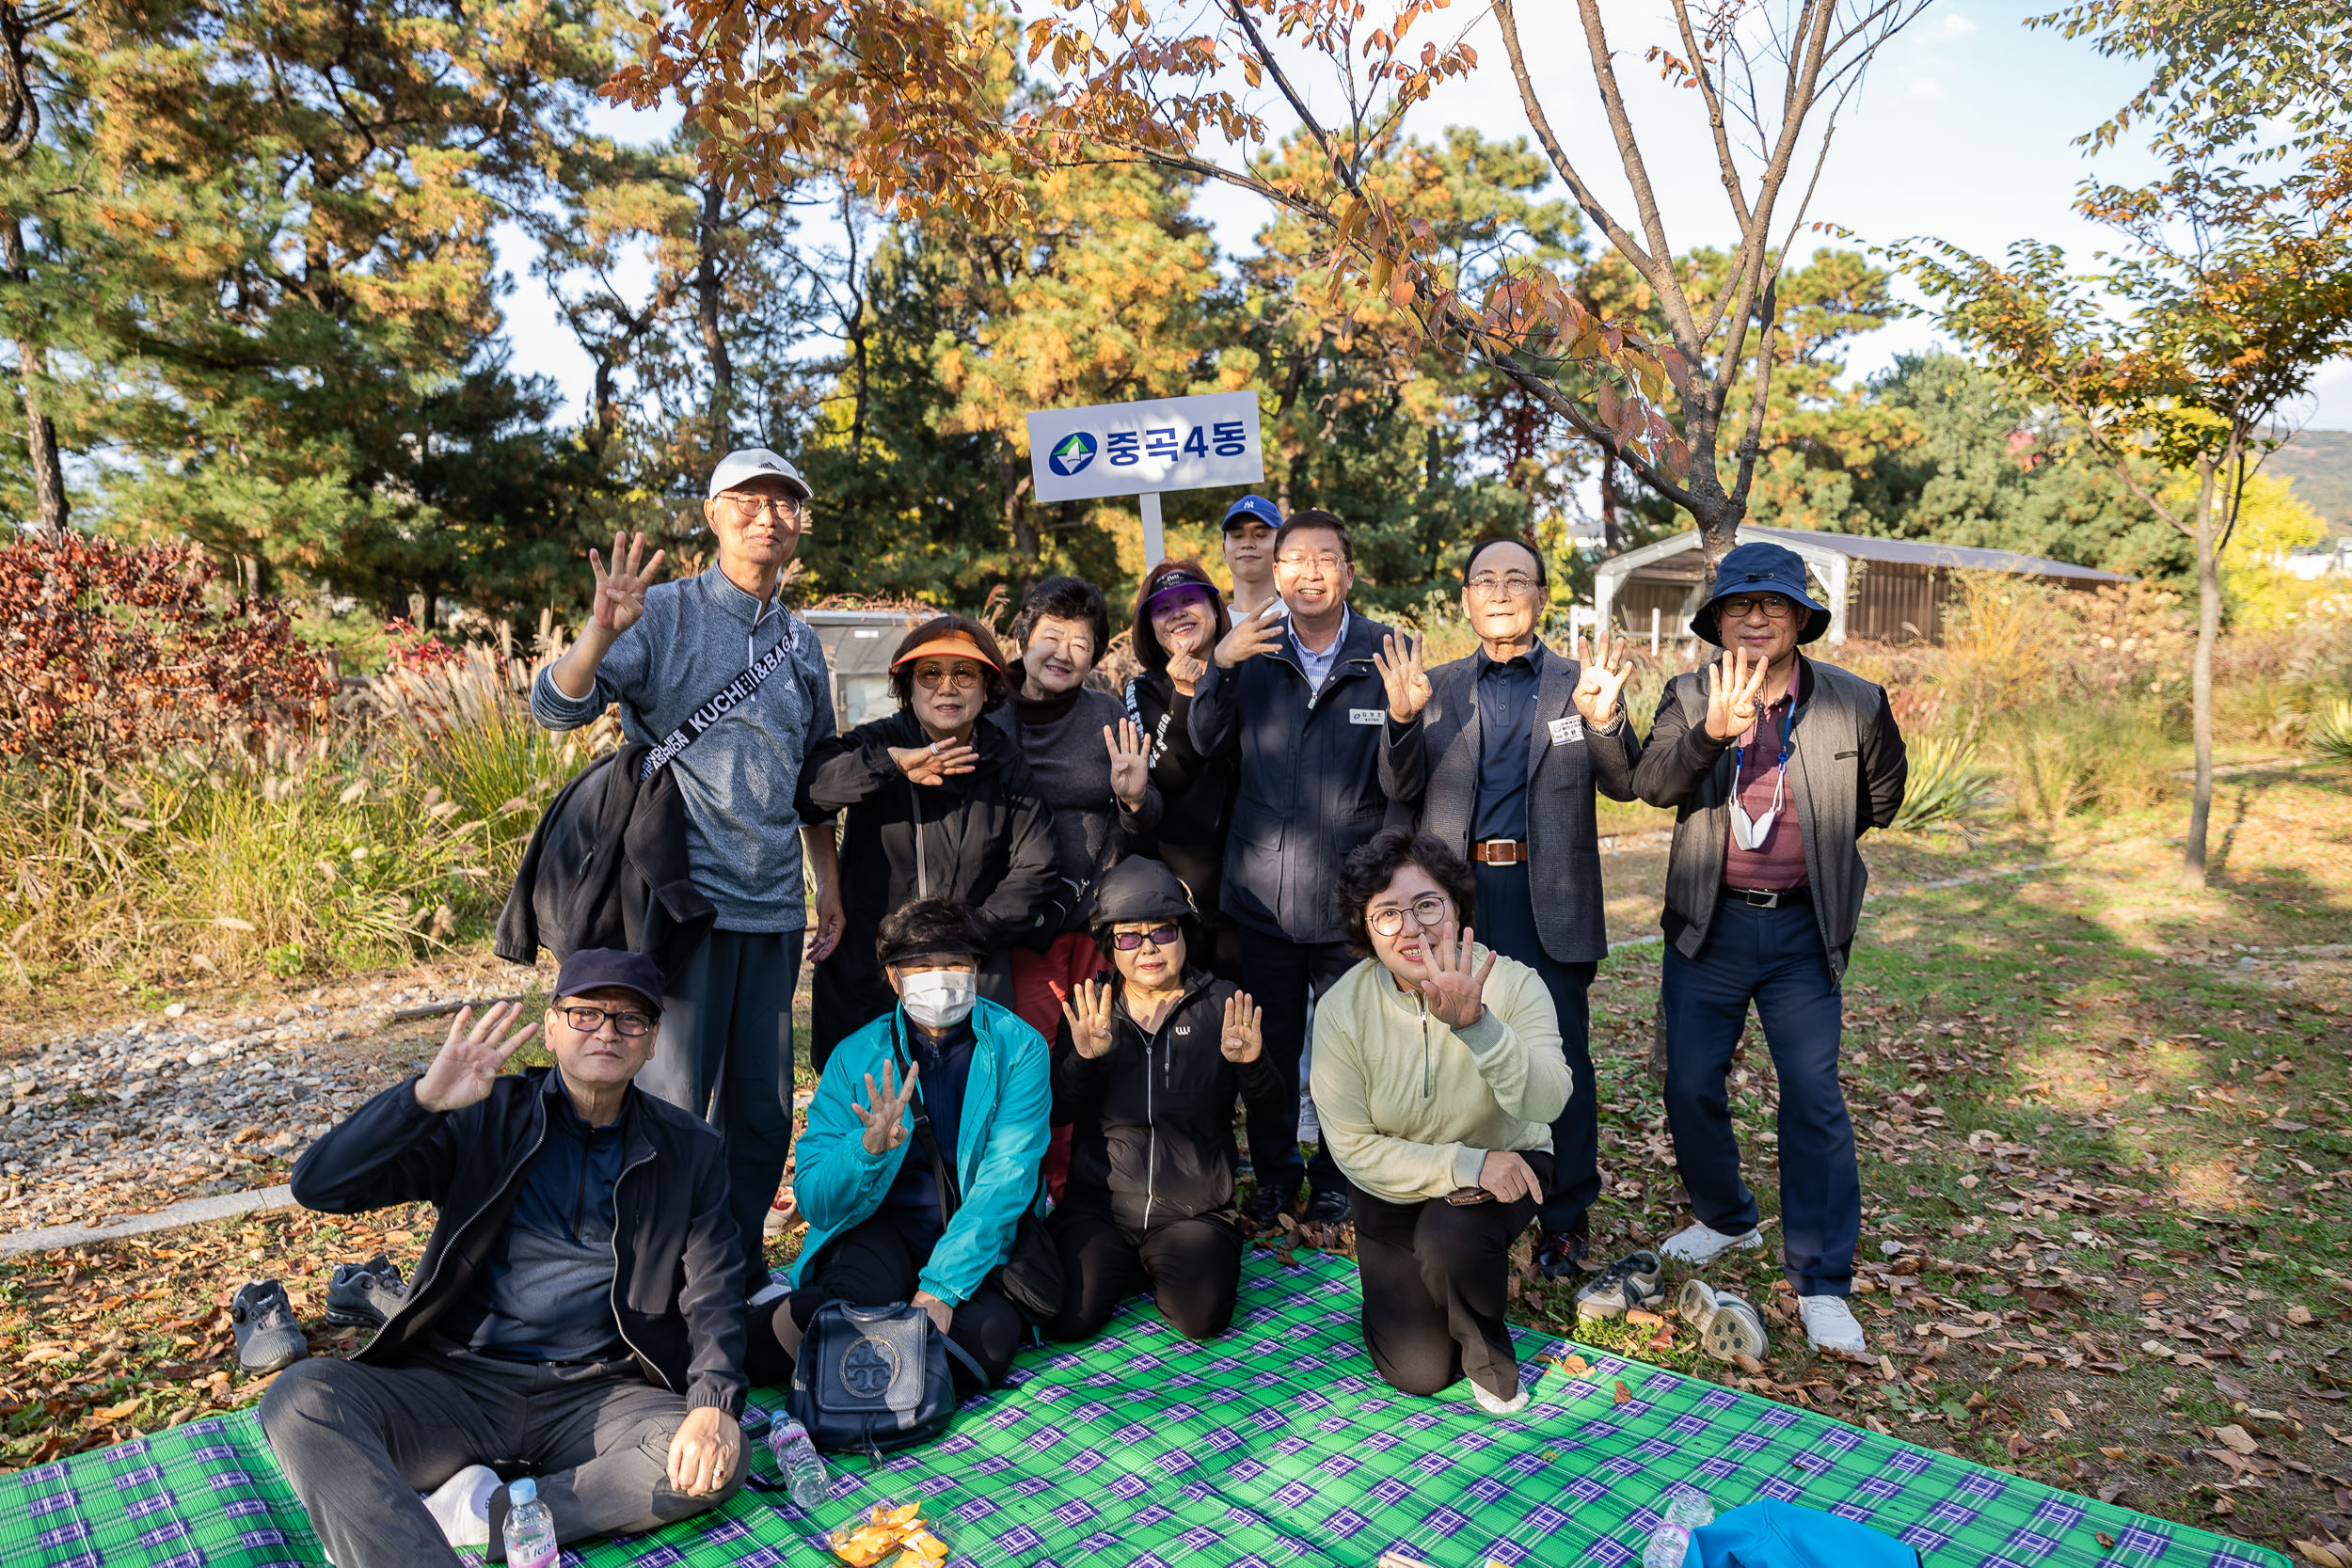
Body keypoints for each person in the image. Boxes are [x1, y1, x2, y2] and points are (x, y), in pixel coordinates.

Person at [261, 951, 747, 1568]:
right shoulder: (485, 1114)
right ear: (551, 1027)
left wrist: (712, 1404)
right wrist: (422, 1100)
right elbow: (321, 1186)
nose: (606, 1029)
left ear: (651, 1042)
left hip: (596, 1396)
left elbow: (715, 1292)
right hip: (458, 1384)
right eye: (585, 1012)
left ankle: (478, 1515)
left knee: (714, 1458)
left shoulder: (690, 1149)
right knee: (300, 1397)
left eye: (630, 1020)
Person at [530, 448, 844, 1289]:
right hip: (681, 904)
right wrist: (600, 629)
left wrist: (830, 891)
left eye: (784, 504)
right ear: (713, 515)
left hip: (774, 905)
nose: (768, 517)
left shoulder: (801, 642)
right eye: (749, 500)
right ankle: (645, 1277)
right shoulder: (662, 614)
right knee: (669, 1105)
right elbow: (554, 708)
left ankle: (731, 1271)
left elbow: (815, 782)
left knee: (761, 1113)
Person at [1631, 540, 1908, 1356]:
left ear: (1800, 618)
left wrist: (1811, 846)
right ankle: (1725, 1215)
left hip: (1799, 930)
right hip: (1709, 923)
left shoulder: (1854, 702)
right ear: (1717, 619)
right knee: (1688, 1080)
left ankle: (1822, 1281)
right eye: (1739, 605)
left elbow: (1882, 796)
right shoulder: (1688, 692)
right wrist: (1711, 736)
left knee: (1813, 1094)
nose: (1755, 617)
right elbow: (1653, 785)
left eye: (1773, 604)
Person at [1375, 535, 1642, 1279]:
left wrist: (1604, 718)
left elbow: (1623, 781)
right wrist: (1400, 722)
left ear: (1541, 597)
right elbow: (1398, 788)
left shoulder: (1576, 680)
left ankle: (1564, 1214)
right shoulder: (1433, 687)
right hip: (1453, 902)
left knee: (1560, 1059)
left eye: (1516, 579)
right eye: (1484, 579)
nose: (1499, 591)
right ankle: (1464, 1189)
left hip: (1546, 896)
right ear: (1465, 597)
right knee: (1449, 1049)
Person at [1309, 830, 1568, 1413]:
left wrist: (1480, 1027)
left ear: (1457, 907)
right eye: (1387, 914)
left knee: (1448, 1240)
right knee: (1419, 1371)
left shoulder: (1513, 982)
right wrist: (1461, 1164)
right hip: (1393, 1189)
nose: (1412, 927)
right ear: (1363, 928)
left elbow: (1550, 1103)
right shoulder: (1340, 1009)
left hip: (1503, 1168)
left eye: (1427, 904)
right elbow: (1350, 1147)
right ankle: (1408, 1290)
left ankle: (1486, 1349)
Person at [746, 896, 1051, 1392]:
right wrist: (864, 1150)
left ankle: (843, 1364)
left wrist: (942, 1290)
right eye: (922, 965)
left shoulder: (1020, 1048)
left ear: (976, 969)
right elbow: (817, 1198)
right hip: (876, 1233)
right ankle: (738, 1342)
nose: (941, 976)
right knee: (855, 1308)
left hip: (973, 1239)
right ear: (894, 978)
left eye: (955, 962)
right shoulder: (855, 1056)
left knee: (986, 1345)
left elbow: (1006, 1182)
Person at [1190, 508, 1397, 1227]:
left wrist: (1402, 718)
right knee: (1272, 1045)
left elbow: (1407, 779)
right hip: (1265, 894)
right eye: (1295, 560)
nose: (1310, 572)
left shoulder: (1384, 650)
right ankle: (1277, 1171)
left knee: (1348, 1047)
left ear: (1348, 570)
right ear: (1274, 573)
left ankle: (1338, 1174)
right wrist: (1218, 664)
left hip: (1351, 895)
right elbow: (1207, 741)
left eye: (1325, 558)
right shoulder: (1250, 646)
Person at [798, 617, 1062, 1071]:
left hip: (966, 962)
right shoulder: (880, 741)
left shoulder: (1002, 760)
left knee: (966, 1101)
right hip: (873, 961)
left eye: (964, 673)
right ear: (909, 686)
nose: (947, 688)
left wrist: (969, 932)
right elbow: (810, 788)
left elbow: (1035, 866)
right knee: (864, 1105)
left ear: (986, 688)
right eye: (930, 674)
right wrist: (890, 765)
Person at [1046, 857, 1281, 1343]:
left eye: (1163, 933)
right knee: (1069, 1318)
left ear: (1184, 934)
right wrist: (1082, 1059)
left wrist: (1252, 1066)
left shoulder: (1224, 1004)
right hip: (1102, 1207)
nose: (1148, 949)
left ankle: (1155, 1264)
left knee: (1202, 1319)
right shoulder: (1092, 1007)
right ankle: (1125, 1265)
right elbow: (1059, 1111)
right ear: (1110, 947)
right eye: (1129, 937)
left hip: (1193, 1210)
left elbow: (1272, 1109)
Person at [988, 575, 1160, 1045]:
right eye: (1052, 637)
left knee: (1097, 1047)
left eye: (1080, 643)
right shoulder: (986, 710)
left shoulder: (1106, 715)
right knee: (1031, 1048)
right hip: (1020, 921)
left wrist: (1135, 798)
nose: (1063, 653)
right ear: (1024, 637)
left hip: (1096, 916)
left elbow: (1147, 817)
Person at [1120, 559, 1241, 979]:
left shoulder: (1249, 672)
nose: (1178, 613)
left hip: (1257, 889)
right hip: (1183, 897)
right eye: (1163, 607)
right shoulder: (1144, 688)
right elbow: (1164, 775)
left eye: (1190, 600)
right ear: (1150, 626)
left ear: (1215, 609)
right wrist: (1184, 694)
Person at [1220, 494, 1283, 621]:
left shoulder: (1300, 620)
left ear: (1281, 547)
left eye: (1260, 534)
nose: (1247, 544)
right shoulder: (1213, 629)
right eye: (1237, 535)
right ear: (1224, 550)